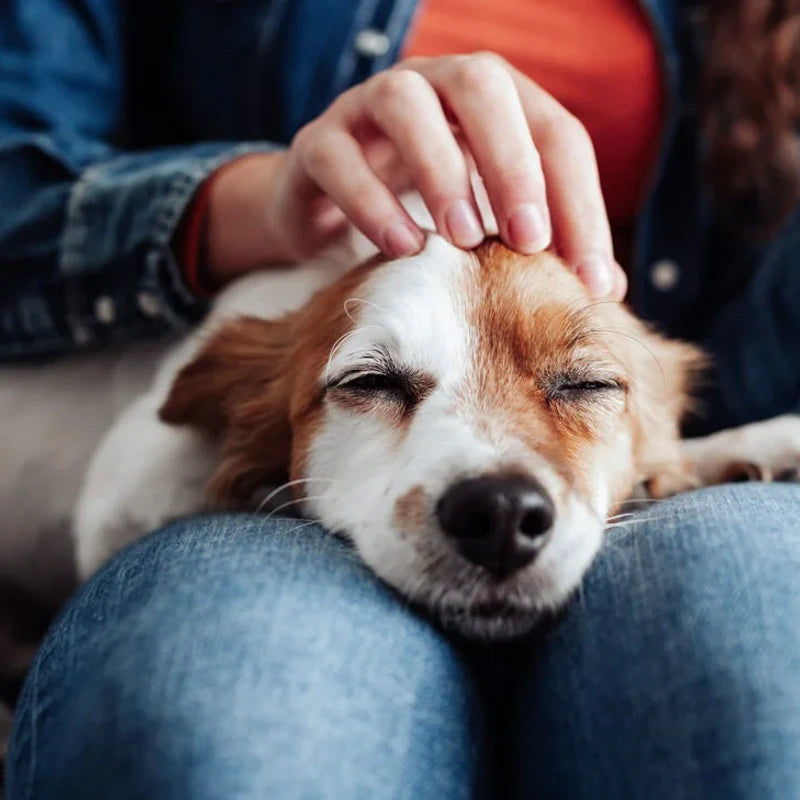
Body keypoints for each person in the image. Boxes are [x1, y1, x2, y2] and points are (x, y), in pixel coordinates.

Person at [3, 0, 800, 797]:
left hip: (663, 474)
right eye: (376, 382)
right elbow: (123, 494)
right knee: (233, 713)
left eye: (581, 383)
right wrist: (254, 200)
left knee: (752, 662)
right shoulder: (259, 366)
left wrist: (670, 444)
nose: (495, 488)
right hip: (276, 518)